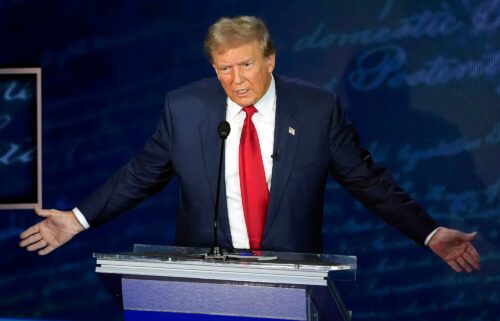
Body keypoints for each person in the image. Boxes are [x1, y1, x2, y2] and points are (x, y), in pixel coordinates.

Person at [20, 16, 480, 273]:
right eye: (223, 68)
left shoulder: (318, 109)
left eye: (245, 66)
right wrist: (78, 220)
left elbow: (367, 181)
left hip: (290, 277)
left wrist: (430, 232)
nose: (235, 81)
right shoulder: (185, 107)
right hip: (205, 276)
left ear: (270, 59)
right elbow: (142, 173)